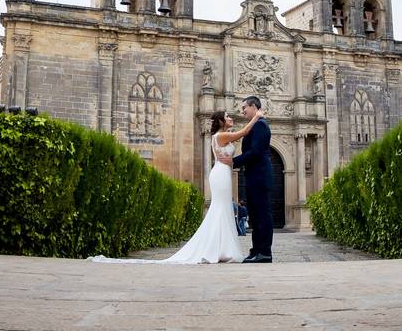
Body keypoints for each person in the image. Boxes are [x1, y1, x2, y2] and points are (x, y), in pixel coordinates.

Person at [90, 108, 260, 264]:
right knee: (220, 208)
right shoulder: (220, 136)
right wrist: (256, 117)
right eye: (227, 116)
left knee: (222, 208)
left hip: (222, 173)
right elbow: (244, 132)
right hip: (220, 174)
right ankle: (219, 249)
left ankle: (221, 248)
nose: (230, 118)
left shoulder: (221, 135)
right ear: (221, 121)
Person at [230, 95, 273, 263]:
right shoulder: (256, 125)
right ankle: (256, 250)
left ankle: (265, 252)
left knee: (263, 215)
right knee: (255, 216)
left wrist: (234, 161)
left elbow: (255, 152)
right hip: (254, 175)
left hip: (260, 176)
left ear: (254, 106)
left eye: (244, 108)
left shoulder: (261, 125)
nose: (242, 111)